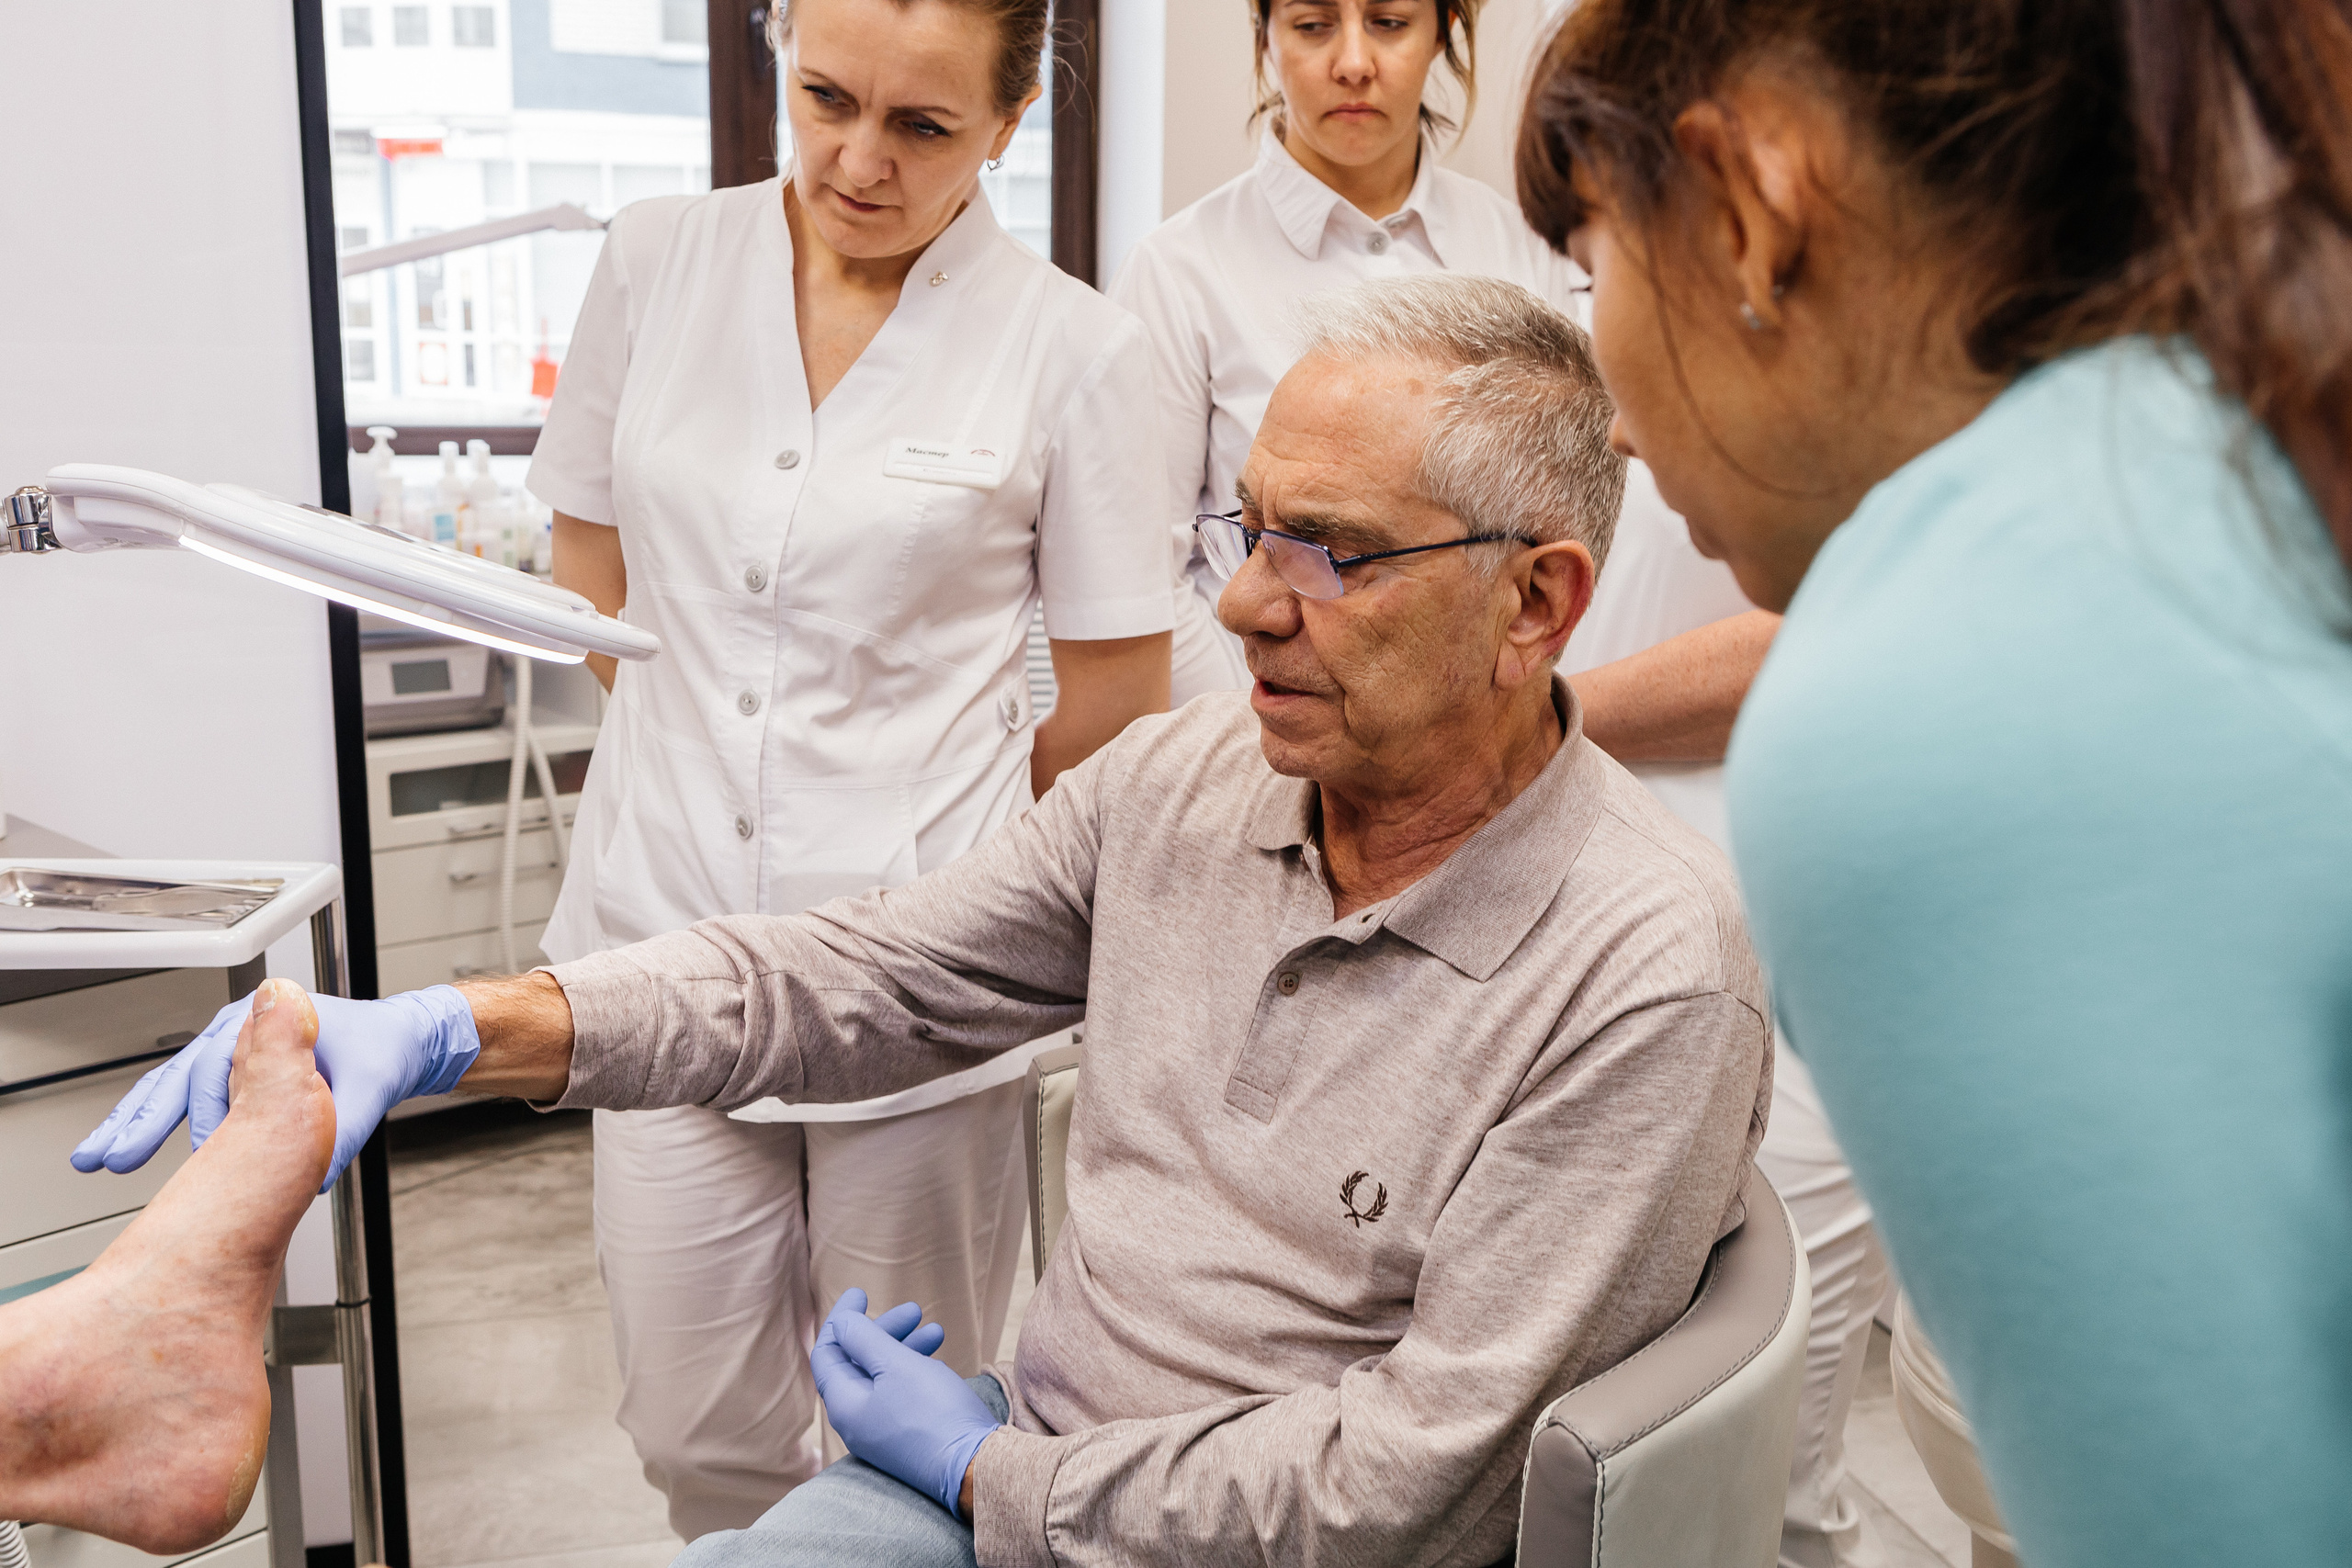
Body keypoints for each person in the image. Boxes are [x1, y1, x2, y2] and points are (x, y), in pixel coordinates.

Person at [77, 275, 1771, 1568]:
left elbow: (1417, 1486)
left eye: (1329, 553)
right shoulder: (1183, 785)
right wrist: (467, 1026)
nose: (1249, 605)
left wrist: (984, 1474)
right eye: (1248, 530)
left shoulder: (1641, 973)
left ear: (1535, 600)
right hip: (1011, 1492)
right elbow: (865, 977)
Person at [1516, 1, 2352, 1564]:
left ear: (1749, 209)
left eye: (1593, 268)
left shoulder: (1922, 688)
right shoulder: (2234, 432)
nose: (1616, 428)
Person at [1114, 6, 1876, 1559]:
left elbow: (1831, 615)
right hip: (1416, 790)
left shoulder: (1658, 920)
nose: (1351, 59)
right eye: (1311, 20)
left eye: (1392, 20)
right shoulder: (1187, 273)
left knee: (1744, 1438)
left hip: (1626, 820)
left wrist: (1510, 718)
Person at [526, 0, 1173, 1536]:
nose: (859, 160)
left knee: (901, 1429)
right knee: (688, 1421)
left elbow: (1114, 700)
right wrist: (698, 753)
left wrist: (974, 885)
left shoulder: (1076, 350)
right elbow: (587, 581)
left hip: (919, 985)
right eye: (826, 98)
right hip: (663, 943)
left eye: (923, 126)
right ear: (781, 53)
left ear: (1009, 122)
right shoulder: (656, 261)